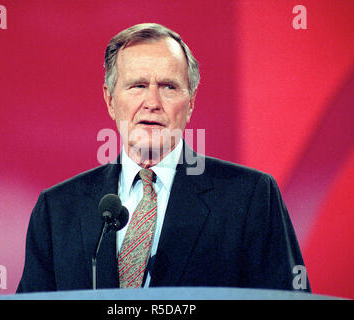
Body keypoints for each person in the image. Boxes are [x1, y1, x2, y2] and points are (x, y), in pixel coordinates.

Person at [17, 23, 310, 293]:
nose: (153, 103)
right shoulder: (57, 210)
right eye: (138, 86)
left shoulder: (251, 198)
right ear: (110, 99)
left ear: (191, 101)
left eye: (169, 87)